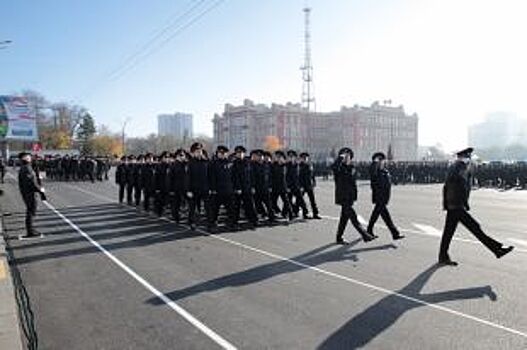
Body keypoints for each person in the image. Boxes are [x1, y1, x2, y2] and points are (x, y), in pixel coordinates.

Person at [438, 147, 514, 266]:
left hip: (453, 204)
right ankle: (497, 249)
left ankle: (443, 256)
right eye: (468, 156)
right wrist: (463, 202)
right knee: (475, 228)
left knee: (449, 232)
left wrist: (447, 203)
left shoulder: (455, 166)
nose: (470, 158)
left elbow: (447, 186)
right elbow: (458, 185)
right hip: (456, 205)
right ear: (465, 156)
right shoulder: (460, 166)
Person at [332, 147, 376, 244]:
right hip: (343, 197)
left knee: (344, 218)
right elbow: (334, 167)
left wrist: (355, 195)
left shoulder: (352, 168)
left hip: (350, 197)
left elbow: (353, 184)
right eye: (345, 156)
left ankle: (339, 237)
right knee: (353, 217)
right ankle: (365, 235)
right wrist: (340, 158)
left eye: (348, 156)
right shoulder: (339, 169)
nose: (347, 158)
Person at [367, 152, 404, 240]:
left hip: (384, 197)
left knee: (378, 215)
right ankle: (395, 233)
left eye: (382, 161)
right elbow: (372, 171)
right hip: (379, 197)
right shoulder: (375, 172)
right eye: (379, 161)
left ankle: (369, 230)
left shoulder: (385, 171)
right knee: (386, 217)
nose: (382, 162)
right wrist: (375, 162)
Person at [18, 152, 46, 239]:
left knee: (30, 211)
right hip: (29, 193)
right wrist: (40, 189)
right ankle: (30, 231)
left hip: (27, 193)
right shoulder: (27, 168)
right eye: (29, 157)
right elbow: (31, 182)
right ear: (25, 158)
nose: (30, 158)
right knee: (31, 211)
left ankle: (31, 229)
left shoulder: (27, 167)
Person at [209, 145, 236, 230]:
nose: (222, 154)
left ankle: (231, 224)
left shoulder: (230, 163)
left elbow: (234, 177)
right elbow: (211, 177)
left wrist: (234, 188)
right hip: (217, 191)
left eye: (224, 153)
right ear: (217, 154)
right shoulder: (213, 163)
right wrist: (212, 189)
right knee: (214, 210)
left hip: (229, 190)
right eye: (220, 153)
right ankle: (212, 225)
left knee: (231, 209)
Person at [232, 145, 258, 228]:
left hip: (247, 187)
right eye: (238, 153)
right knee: (236, 206)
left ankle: (253, 220)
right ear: (236, 154)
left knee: (250, 205)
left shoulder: (248, 163)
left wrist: (253, 186)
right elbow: (234, 177)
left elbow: (252, 175)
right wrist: (237, 188)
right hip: (238, 188)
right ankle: (234, 222)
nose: (240, 154)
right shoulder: (233, 163)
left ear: (244, 153)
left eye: (241, 153)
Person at [187, 142, 210, 230]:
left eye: (200, 150)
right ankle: (192, 222)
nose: (198, 152)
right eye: (196, 151)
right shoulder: (190, 163)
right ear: (193, 153)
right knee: (193, 208)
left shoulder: (206, 161)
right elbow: (188, 177)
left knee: (208, 207)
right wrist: (188, 190)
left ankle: (209, 223)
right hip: (194, 189)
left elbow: (210, 176)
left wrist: (211, 188)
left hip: (205, 188)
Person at [299, 152, 321, 220]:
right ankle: (303, 213)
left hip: (309, 185)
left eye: (306, 158)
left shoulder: (310, 165)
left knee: (312, 200)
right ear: (301, 159)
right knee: (300, 200)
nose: (305, 159)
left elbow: (312, 175)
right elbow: (299, 177)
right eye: (303, 158)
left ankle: (315, 214)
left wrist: (314, 182)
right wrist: (300, 186)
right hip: (303, 185)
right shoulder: (299, 166)